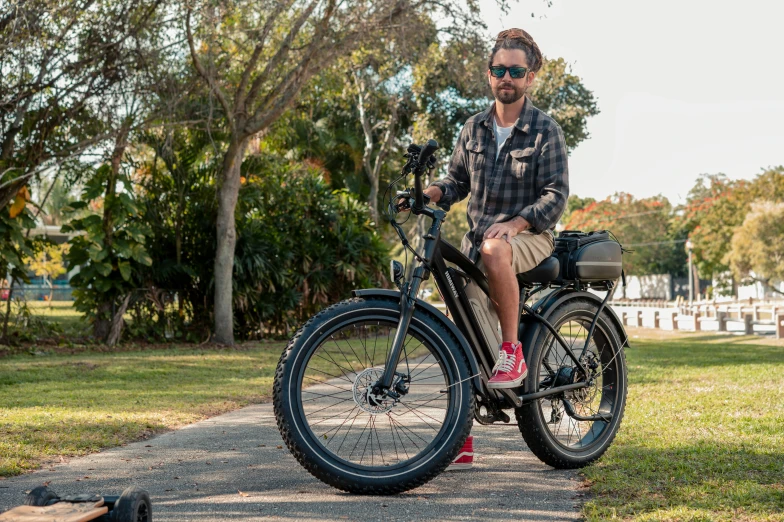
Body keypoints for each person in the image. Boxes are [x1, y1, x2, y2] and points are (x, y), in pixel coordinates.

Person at [424, 28, 569, 390]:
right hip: (478, 241)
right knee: (463, 342)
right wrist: (430, 193)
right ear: (489, 73)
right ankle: (462, 444)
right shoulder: (473, 128)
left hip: (530, 237)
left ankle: (512, 351)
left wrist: (517, 224)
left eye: (516, 71)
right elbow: (456, 181)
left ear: (529, 78)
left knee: (494, 247)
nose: (507, 77)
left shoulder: (545, 130)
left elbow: (556, 194)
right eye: (499, 70)